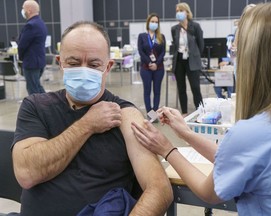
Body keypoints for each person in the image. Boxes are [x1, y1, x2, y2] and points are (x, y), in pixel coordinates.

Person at [131, 2, 271, 216]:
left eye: (237, 49)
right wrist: (185, 132)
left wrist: (167, 149)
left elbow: (209, 192)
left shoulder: (251, 132)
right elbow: (237, 157)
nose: (234, 54)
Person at [11, 21, 172, 216]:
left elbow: (159, 189)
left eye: (94, 64)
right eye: (73, 63)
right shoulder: (36, 106)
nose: (84, 70)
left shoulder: (125, 115)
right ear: (60, 62)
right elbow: (27, 174)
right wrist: (87, 124)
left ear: (108, 66)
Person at [171, 2, 204, 116]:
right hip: (179, 60)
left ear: (187, 12)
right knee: (181, 88)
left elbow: (201, 45)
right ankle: (184, 112)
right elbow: (175, 46)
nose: (178, 13)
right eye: (177, 11)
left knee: (195, 87)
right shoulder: (174, 29)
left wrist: (195, 55)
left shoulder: (195, 26)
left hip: (192, 61)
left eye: (181, 10)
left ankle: (200, 111)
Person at [137, 13, 166, 117]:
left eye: (156, 22)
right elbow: (141, 51)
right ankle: (149, 113)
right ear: (148, 22)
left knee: (157, 91)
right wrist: (149, 63)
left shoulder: (161, 37)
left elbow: (163, 52)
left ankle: (155, 112)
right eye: (152, 21)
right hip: (146, 68)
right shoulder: (142, 36)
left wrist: (156, 64)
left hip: (159, 69)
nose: (154, 23)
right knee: (147, 91)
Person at [18, 0, 47, 95]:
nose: (22, 10)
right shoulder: (40, 23)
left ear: (29, 10)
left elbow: (22, 45)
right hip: (39, 61)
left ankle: (37, 109)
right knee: (37, 86)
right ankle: (49, 105)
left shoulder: (30, 25)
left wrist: (21, 58)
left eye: (23, 8)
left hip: (31, 63)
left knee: (33, 90)